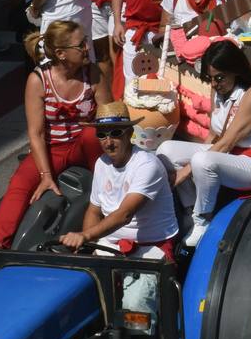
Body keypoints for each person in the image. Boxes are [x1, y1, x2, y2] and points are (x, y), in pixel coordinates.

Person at [0, 20, 108, 248]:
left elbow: (107, 116)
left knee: (93, 134)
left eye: (86, 41)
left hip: (85, 144)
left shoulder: (92, 73)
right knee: (21, 183)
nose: (87, 47)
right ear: (61, 54)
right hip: (52, 146)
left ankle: (106, 189)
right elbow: (35, 133)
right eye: (81, 44)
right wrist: (45, 175)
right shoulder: (38, 79)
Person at [158, 40, 251, 247]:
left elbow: (227, 142)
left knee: (202, 161)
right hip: (233, 154)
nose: (214, 83)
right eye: (210, 78)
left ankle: (202, 220)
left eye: (219, 77)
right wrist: (194, 163)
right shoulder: (220, 90)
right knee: (166, 150)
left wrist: (187, 170)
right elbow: (214, 135)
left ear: (235, 70)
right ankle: (190, 209)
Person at [59, 102, 179, 315]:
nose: (108, 141)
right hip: (111, 246)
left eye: (115, 133)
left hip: (151, 249)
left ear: (129, 134)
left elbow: (124, 215)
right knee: (75, 292)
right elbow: (94, 210)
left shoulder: (146, 165)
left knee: (135, 306)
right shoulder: (101, 164)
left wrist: (84, 235)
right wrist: (90, 245)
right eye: (102, 135)